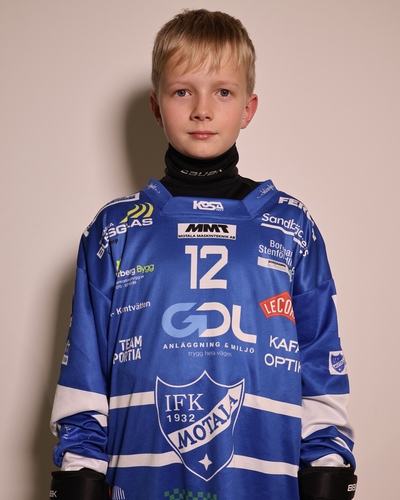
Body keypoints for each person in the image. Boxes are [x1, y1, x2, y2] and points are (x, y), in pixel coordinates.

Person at [49, 9, 357, 500]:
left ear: (249, 108)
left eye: (223, 92)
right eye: (182, 92)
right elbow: (84, 380)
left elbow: (322, 370)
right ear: (156, 106)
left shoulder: (292, 227)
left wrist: (328, 471)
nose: (202, 110)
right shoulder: (114, 229)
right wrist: (77, 476)